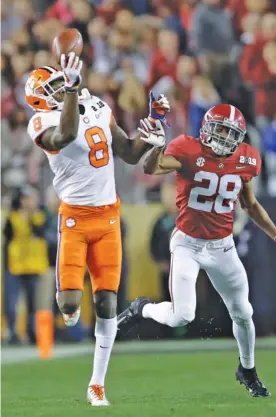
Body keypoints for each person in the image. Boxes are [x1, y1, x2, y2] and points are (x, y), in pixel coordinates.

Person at [118, 103, 276, 397]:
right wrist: (156, 147)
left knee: (243, 312)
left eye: (231, 132)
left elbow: (249, 204)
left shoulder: (246, 157)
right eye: (220, 129)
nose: (224, 137)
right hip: (188, 243)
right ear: (207, 128)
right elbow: (152, 167)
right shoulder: (187, 148)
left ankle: (247, 369)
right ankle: (141, 308)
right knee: (182, 315)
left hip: (223, 246)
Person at [25, 53, 169, 406]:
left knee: (107, 302)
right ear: (40, 100)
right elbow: (67, 133)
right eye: (55, 87)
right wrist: (73, 91)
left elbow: (129, 154)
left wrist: (152, 125)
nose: (62, 88)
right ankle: (69, 308)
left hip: (108, 217)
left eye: (63, 83)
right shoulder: (40, 122)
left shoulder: (95, 105)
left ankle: (97, 384)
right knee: (69, 305)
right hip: (74, 218)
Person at [3, 185, 48, 345]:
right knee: (11, 303)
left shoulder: (40, 215)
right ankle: (12, 333)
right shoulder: (13, 216)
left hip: (33, 266)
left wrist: (31, 214)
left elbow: (40, 232)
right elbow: (7, 237)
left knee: (32, 305)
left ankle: (31, 334)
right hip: (15, 266)